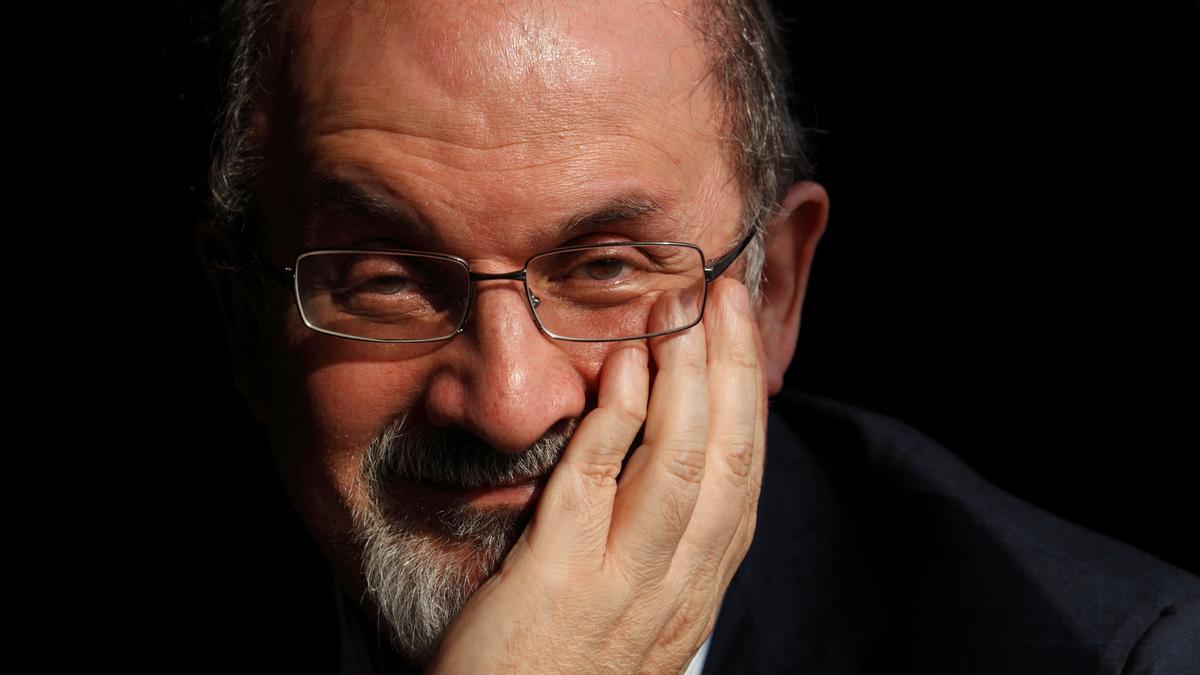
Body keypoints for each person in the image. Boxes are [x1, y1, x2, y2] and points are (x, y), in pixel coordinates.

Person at [197, 1, 1199, 673]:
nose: (506, 403)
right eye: (384, 282)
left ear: (773, 295)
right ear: (247, 321)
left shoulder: (1097, 653)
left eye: (607, 269)